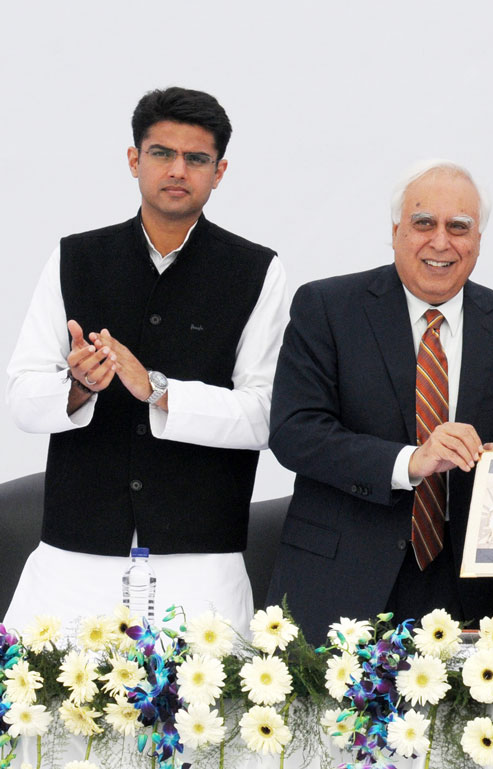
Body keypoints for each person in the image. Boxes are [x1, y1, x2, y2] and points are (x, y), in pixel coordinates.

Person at [5, 87, 285, 634]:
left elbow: (264, 415)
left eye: (196, 158)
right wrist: (78, 388)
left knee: (212, 718)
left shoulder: (255, 270)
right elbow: (21, 398)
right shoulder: (75, 257)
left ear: (219, 171)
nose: (177, 170)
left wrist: (158, 390)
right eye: (161, 153)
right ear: (134, 160)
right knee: (47, 714)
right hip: (76, 555)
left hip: (201, 558)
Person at [267, 159, 493, 640]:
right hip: (337, 582)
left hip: (465, 591)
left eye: (458, 227)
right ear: (397, 230)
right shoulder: (328, 307)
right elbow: (295, 432)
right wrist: (410, 461)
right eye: (424, 223)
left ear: (478, 239)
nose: (441, 242)